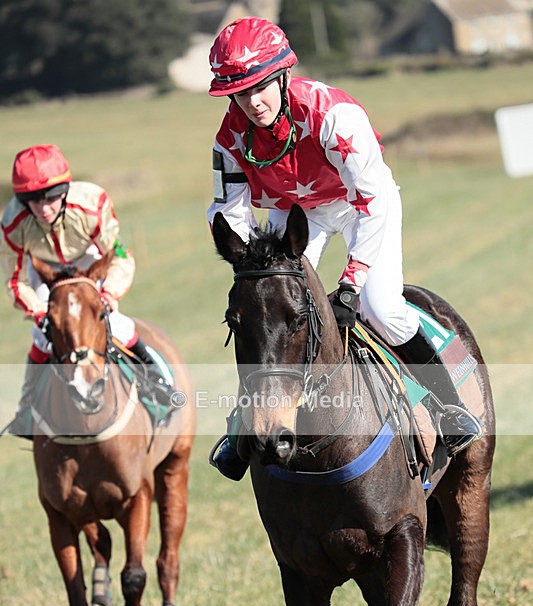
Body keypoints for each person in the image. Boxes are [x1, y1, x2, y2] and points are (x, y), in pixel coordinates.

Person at [206, 16, 482, 480]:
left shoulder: (333, 114)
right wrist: (249, 265)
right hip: (299, 214)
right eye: (239, 93)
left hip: (361, 204)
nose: (252, 103)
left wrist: (351, 283)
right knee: (267, 310)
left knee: (381, 307)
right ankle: (243, 429)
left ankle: (451, 407)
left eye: (260, 88)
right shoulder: (230, 138)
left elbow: (371, 200)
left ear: (281, 76)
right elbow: (227, 212)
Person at [1, 143, 175, 439]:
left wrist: (108, 296)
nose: (44, 209)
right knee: (41, 337)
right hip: (45, 271)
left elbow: (118, 256)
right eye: (34, 201)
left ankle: (159, 382)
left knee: (116, 324)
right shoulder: (12, 223)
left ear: (65, 190)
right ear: (22, 201)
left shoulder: (92, 204)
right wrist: (38, 312)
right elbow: (16, 280)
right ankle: (26, 409)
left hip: (88, 263)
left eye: (52, 198)